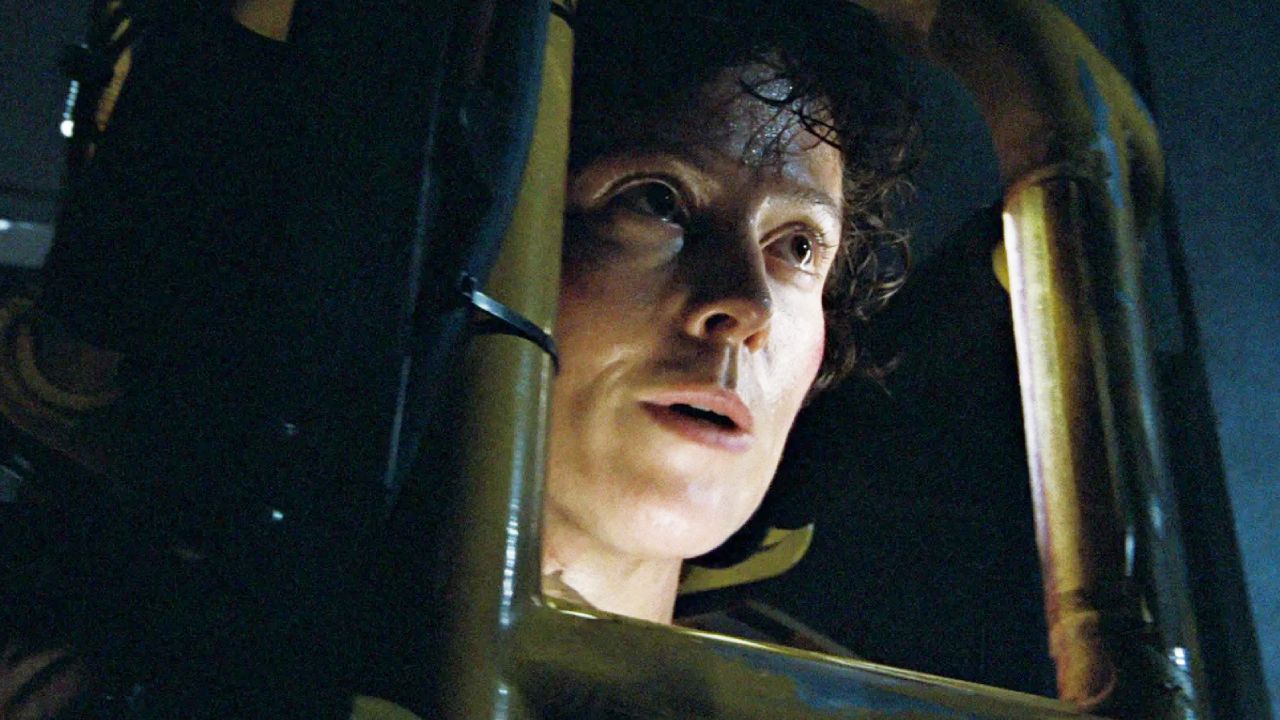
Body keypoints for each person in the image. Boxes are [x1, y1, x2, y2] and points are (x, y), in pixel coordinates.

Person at [0, 0, 916, 716]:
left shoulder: (832, 697)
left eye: (799, 247)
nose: (747, 307)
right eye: (656, 201)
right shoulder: (149, 671)